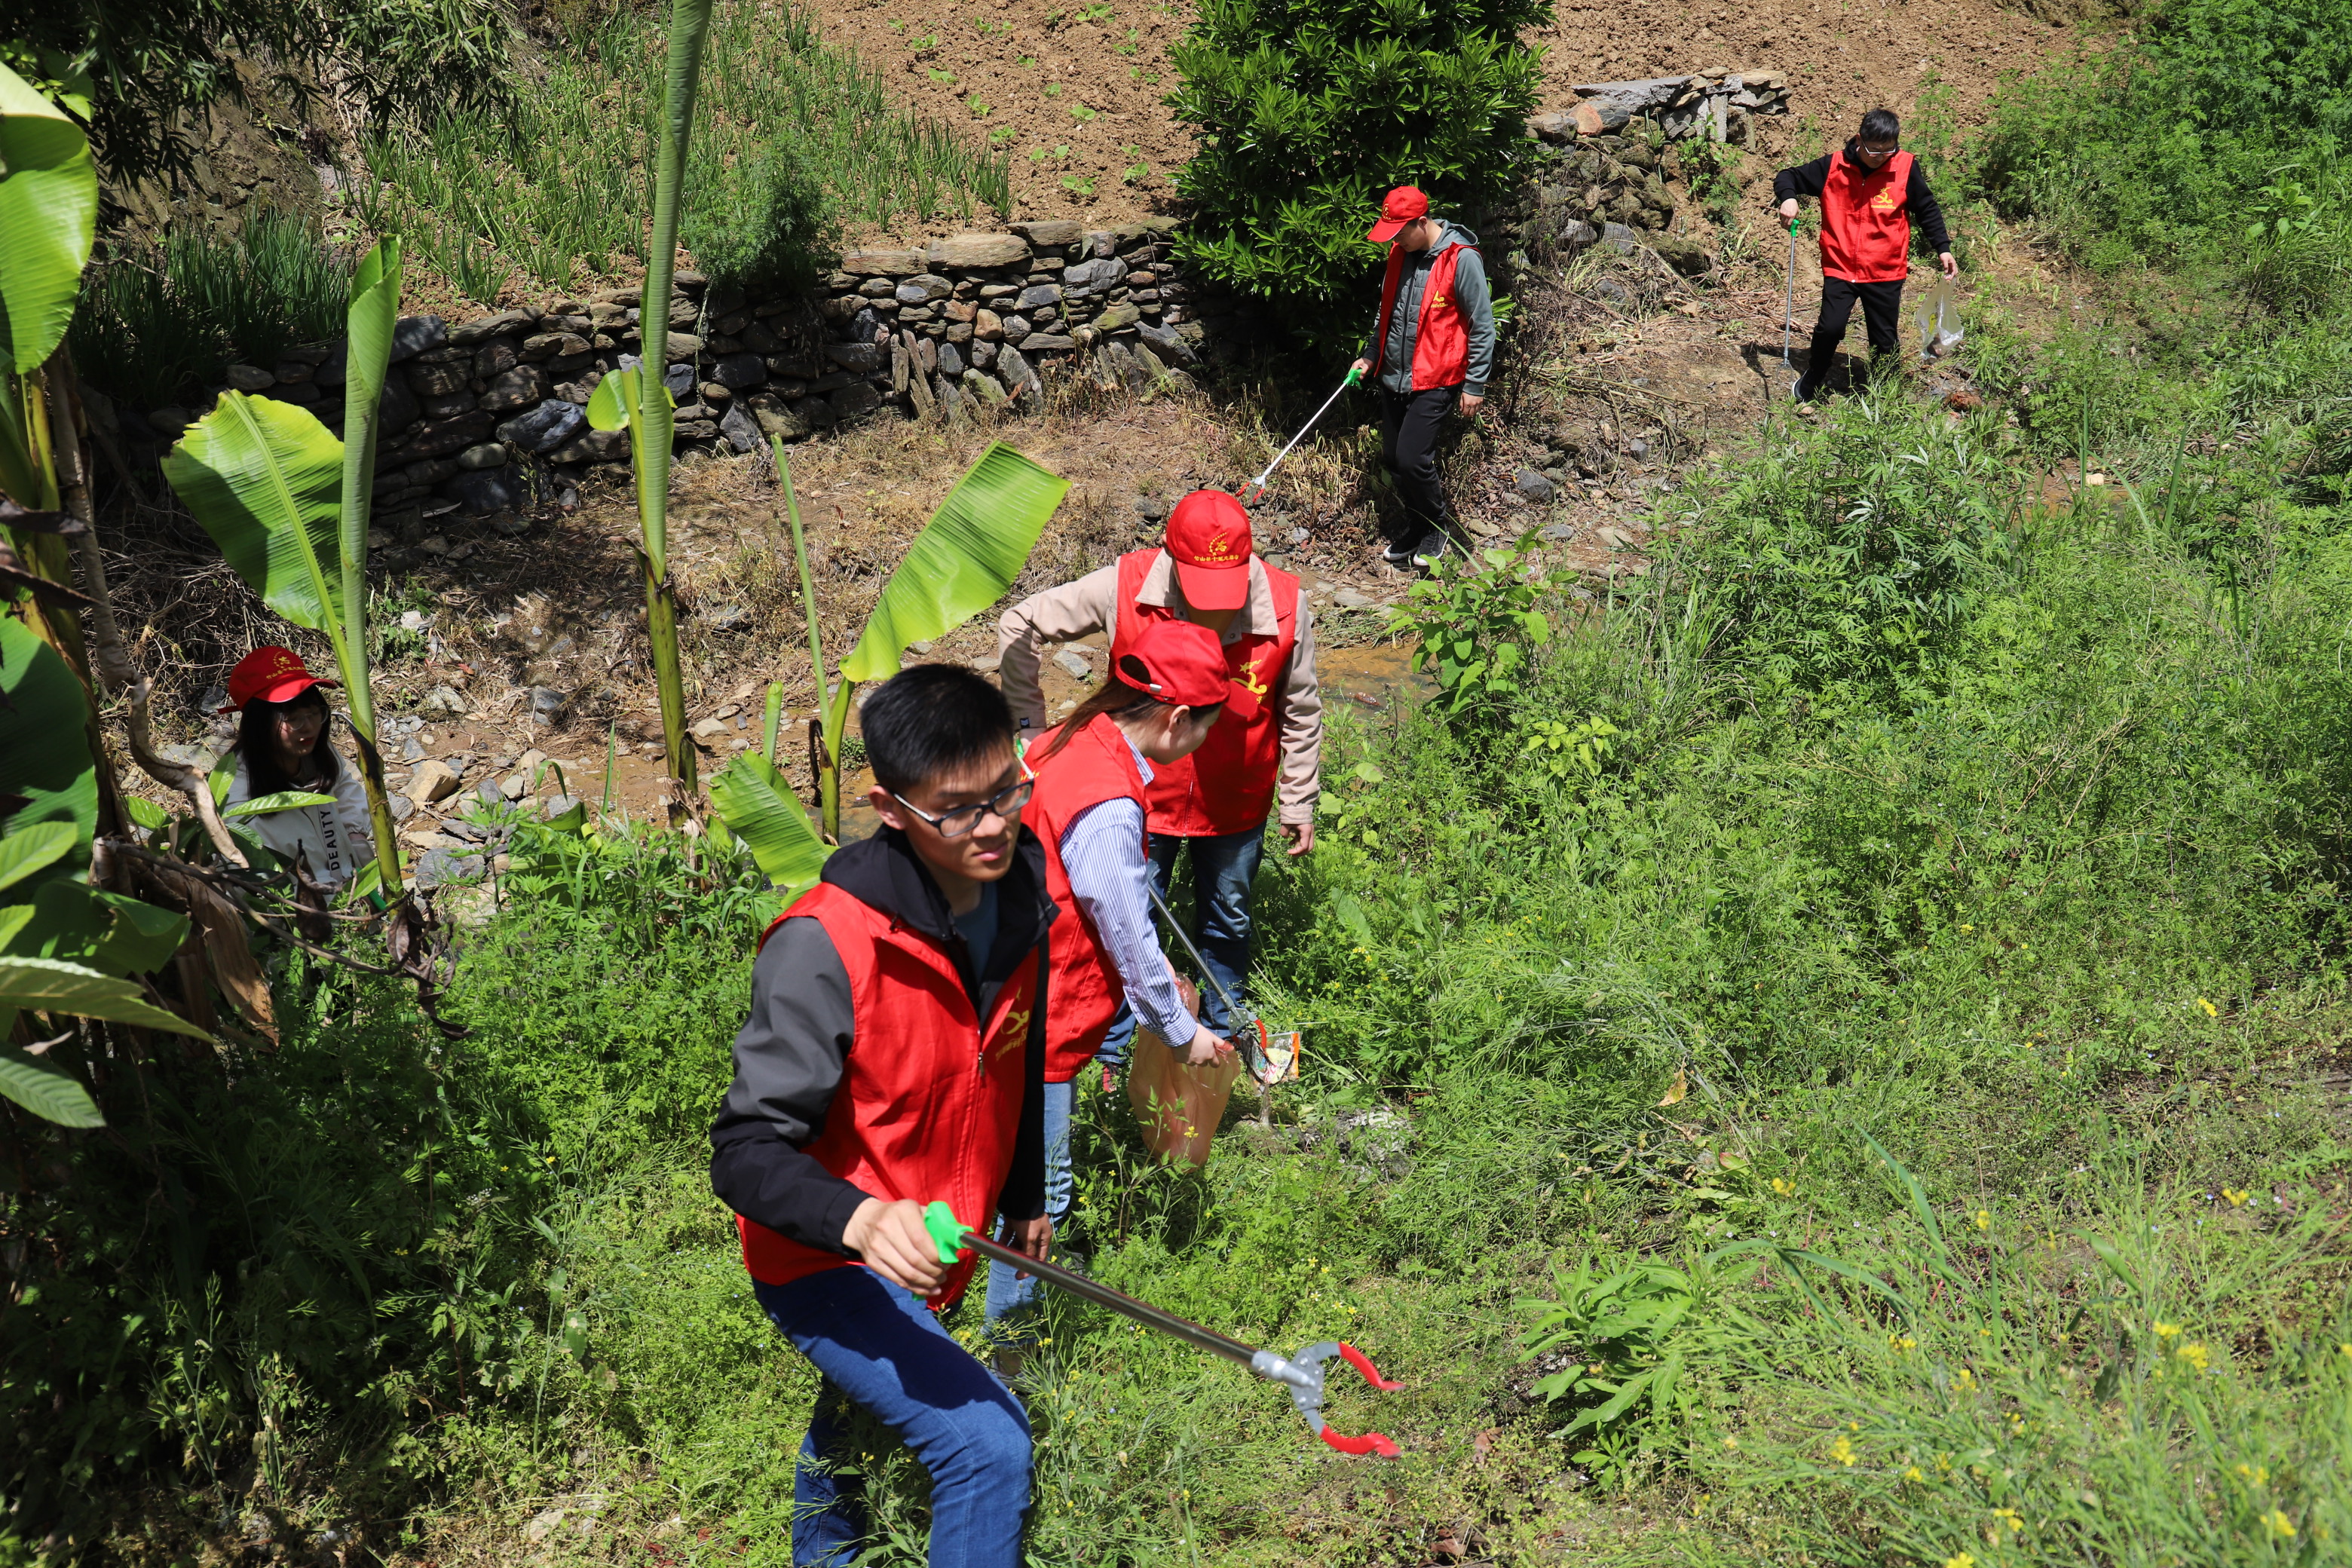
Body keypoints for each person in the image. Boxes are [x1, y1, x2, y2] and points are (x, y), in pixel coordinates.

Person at [709, 663, 1055, 1568]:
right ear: (891, 806)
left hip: (938, 1235)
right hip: (823, 1256)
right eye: (958, 809)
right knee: (989, 1446)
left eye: (1006, 792)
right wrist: (861, 1219)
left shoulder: (1021, 888)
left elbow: (1019, 1044)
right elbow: (743, 1151)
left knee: (859, 1412)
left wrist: (1024, 1196)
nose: (993, 825)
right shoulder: (825, 945)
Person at [997, 488, 1321, 1071]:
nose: (1216, 615)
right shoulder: (1126, 585)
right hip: (1140, 798)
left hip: (1235, 803)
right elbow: (1020, 622)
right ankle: (1112, 1061)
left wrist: (1298, 799)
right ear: (1172, 564)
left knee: (1229, 918)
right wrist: (1030, 734)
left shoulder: (1288, 604)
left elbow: (1301, 708)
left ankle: (1225, 1047)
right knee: (1126, 929)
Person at [982, 620, 1245, 1334]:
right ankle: (1015, 1364)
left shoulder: (1070, 737)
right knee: (1038, 1198)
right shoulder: (1108, 800)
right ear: (1179, 719)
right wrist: (1180, 1030)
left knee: (1007, 1178)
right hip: (1042, 1016)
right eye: (1206, 730)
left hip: (1004, 984)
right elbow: (1126, 934)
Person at [1349, 185, 1495, 569]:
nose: (1394, 241)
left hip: (1438, 377)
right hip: (1394, 375)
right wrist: (1369, 356)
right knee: (1394, 460)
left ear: (1422, 221)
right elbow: (1387, 315)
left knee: (1414, 459)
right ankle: (1417, 527)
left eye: (1400, 232)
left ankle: (1437, 530)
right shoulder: (1401, 254)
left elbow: (1482, 324)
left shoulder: (1461, 259)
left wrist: (1475, 384)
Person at [1773, 108, 1957, 404]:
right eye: (1873, 150)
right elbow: (1788, 177)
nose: (1880, 156)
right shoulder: (1834, 167)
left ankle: (1883, 391)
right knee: (1830, 327)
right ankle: (1814, 374)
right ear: (1859, 139)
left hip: (1885, 269)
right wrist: (1790, 198)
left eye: (1888, 150)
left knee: (1884, 339)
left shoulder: (1906, 167)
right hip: (1841, 265)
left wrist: (1943, 248)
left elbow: (1927, 209)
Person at [218, 645, 375, 887]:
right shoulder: (238, 797)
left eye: (313, 713)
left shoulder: (317, 752)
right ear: (259, 725)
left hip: (351, 889)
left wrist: (355, 837)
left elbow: (341, 785)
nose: (309, 727)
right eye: (292, 719)